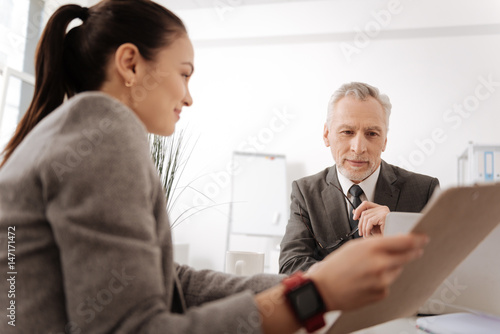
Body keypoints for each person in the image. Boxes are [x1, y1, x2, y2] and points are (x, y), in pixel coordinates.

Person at [0, 2, 429, 333]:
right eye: (184, 74)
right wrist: (315, 295)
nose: (189, 97)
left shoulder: (74, 129)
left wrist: (313, 285)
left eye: (372, 134)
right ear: (130, 64)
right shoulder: (103, 133)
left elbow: (171, 281)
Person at [279, 82, 439, 275]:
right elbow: (290, 267)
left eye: (372, 134)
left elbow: (442, 269)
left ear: (385, 141)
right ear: (326, 134)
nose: (358, 148)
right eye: (347, 132)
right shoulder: (305, 192)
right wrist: (353, 273)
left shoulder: (425, 191)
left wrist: (396, 229)